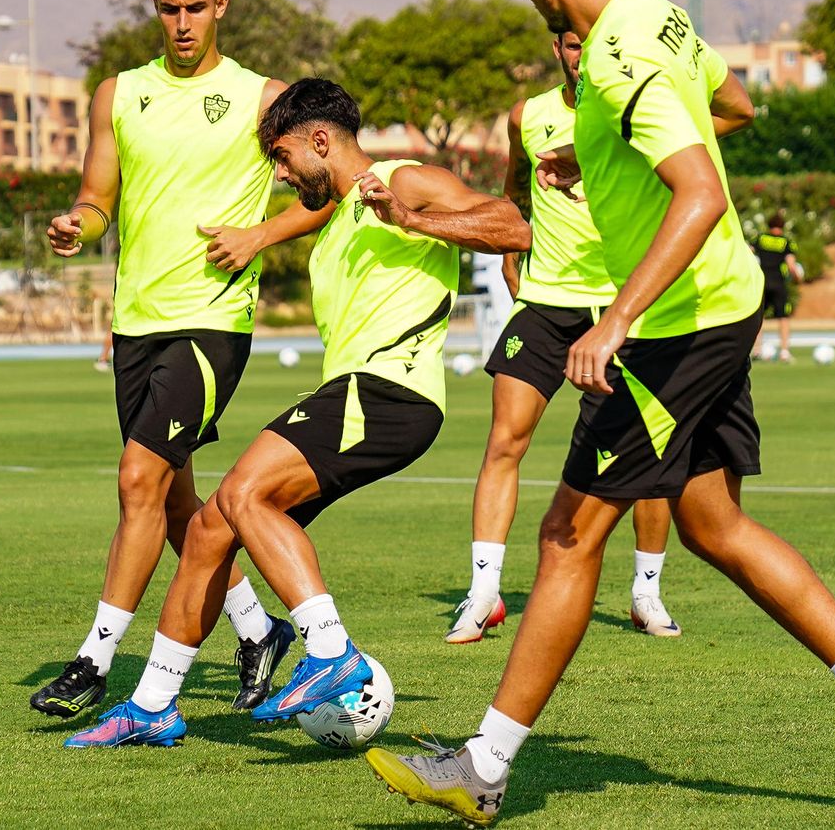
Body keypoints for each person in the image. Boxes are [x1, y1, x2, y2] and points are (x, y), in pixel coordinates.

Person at [367, 0, 835, 823]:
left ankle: (482, 765)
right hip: (721, 303)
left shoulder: (620, 53)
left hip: (675, 327)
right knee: (711, 524)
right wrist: (609, 163)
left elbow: (701, 190)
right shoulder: (659, 16)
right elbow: (735, 105)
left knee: (566, 535)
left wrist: (614, 320)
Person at [61, 78, 531, 748]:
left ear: (319, 140)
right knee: (210, 528)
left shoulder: (405, 179)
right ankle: (153, 704)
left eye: (283, 158)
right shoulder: (339, 214)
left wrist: (413, 218)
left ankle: (329, 648)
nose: (281, 175)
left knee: (246, 492)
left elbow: (512, 224)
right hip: (356, 394)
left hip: (390, 391)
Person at [30, 0, 329, 719]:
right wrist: (77, 223)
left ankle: (94, 659)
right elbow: (98, 194)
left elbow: (328, 188)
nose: (183, 23)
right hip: (137, 322)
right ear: (155, 8)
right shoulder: (118, 93)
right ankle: (258, 630)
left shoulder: (266, 97)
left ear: (221, 5)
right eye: (170, 9)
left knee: (137, 479)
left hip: (213, 323)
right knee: (170, 501)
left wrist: (260, 236)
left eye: (197, 7)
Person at [448, 27, 749, 645]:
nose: (577, 56)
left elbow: (728, 122)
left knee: (650, 458)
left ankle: (647, 593)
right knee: (505, 438)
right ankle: (482, 595)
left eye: (587, 45)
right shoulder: (526, 117)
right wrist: (511, 252)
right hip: (548, 303)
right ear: (554, 51)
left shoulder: (634, 106)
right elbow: (513, 196)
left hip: (625, 302)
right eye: (567, 45)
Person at [751, 211, 804, 363]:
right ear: (782, 226)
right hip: (778, 283)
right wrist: (797, 278)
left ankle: (756, 349)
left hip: (761, 282)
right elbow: (791, 265)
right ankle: (785, 351)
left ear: (769, 225)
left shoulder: (760, 238)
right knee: (783, 317)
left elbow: (748, 252)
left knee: (759, 316)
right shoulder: (786, 242)